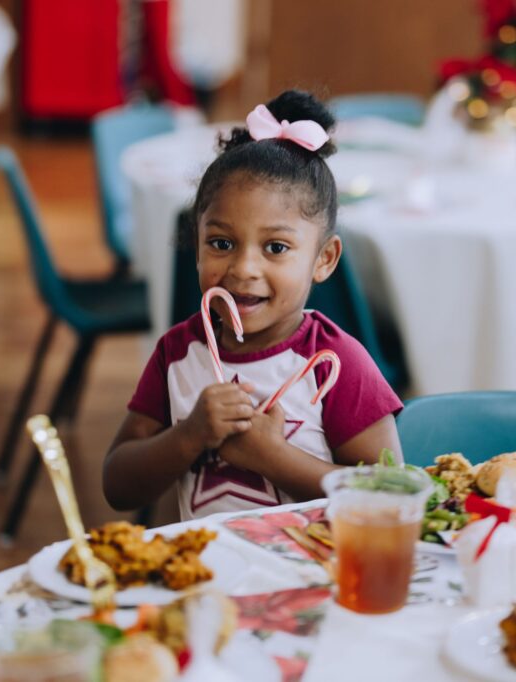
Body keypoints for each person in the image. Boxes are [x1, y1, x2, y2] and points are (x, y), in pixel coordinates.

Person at [103, 90, 403, 520]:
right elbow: (117, 484)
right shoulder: (179, 353)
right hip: (212, 578)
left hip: (315, 579)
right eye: (221, 243)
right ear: (197, 246)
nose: (243, 269)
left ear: (324, 259)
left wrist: (272, 458)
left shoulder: (336, 363)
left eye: (276, 247)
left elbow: (390, 496)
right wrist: (189, 436)